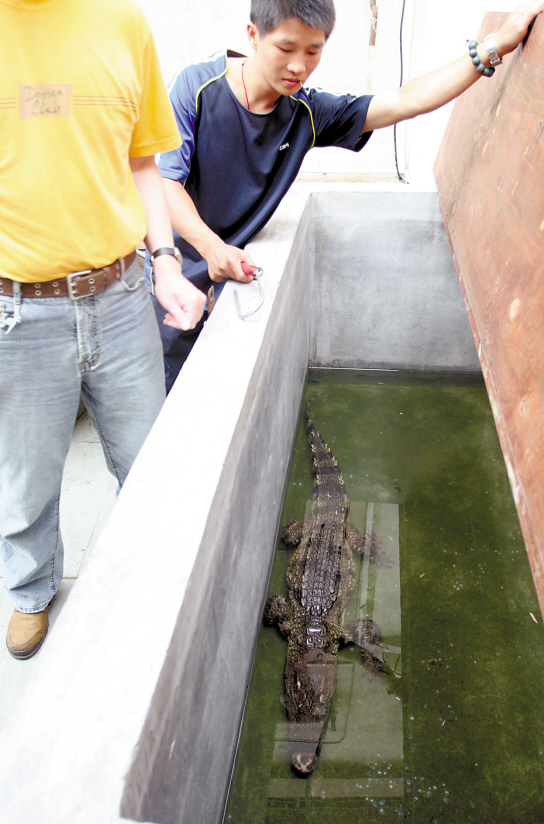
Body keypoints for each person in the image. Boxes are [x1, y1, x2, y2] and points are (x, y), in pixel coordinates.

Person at [147, 0, 544, 392]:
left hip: (229, 276)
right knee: (162, 405)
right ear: (253, 35)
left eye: (313, 51)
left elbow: (407, 101)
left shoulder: (307, 111)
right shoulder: (196, 86)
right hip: (169, 274)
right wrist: (213, 248)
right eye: (285, 48)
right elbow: (165, 183)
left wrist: (492, 47)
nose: (298, 66)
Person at [0, 0, 207, 660]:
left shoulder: (121, 21)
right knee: (27, 479)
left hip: (120, 296)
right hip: (18, 310)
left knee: (147, 460)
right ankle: (32, 591)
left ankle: (150, 583)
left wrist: (168, 263)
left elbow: (144, 160)